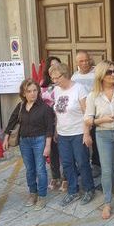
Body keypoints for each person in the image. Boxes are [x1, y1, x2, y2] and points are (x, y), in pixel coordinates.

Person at [84, 60, 114, 220]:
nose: (113, 74)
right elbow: (88, 119)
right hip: (103, 134)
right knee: (106, 171)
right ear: (101, 75)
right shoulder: (93, 95)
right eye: (109, 72)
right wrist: (102, 119)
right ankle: (107, 203)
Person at [3, 79, 55, 211]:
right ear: (23, 93)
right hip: (24, 141)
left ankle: (42, 196)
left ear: (38, 91)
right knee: (29, 170)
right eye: (29, 91)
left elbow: (50, 129)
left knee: (40, 169)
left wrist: (48, 146)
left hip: (40, 140)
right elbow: (12, 121)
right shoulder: (21, 106)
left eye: (35, 90)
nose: (32, 94)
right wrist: (6, 137)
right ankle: (33, 193)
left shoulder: (45, 108)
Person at [49, 63, 95, 207]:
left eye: (57, 78)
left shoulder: (79, 89)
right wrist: (56, 129)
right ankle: (73, 190)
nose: (55, 81)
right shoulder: (56, 90)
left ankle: (89, 189)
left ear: (65, 75)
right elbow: (58, 112)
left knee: (82, 162)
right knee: (67, 163)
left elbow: (87, 113)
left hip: (78, 132)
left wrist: (86, 134)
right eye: (53, 78)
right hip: (63, 134)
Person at [71, 51, 101, 174]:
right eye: (81, 61)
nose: (85, 63)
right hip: (81, 115)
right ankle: (83, 163)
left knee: (95, 139)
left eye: (86, 60)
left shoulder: (97, 73)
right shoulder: (74, 77)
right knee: (83, 139)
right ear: (77, 63)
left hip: (96, 112)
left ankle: (96, 164)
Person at [41, 56, 66, 191]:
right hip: (48, 122)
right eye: (52, 66)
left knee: (65, 151)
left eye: (58, 65)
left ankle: (66, 177)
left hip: (62, 121)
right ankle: (55, 176)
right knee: (53, 151)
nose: (55, 69)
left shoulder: (65, 86)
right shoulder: (43, 86)